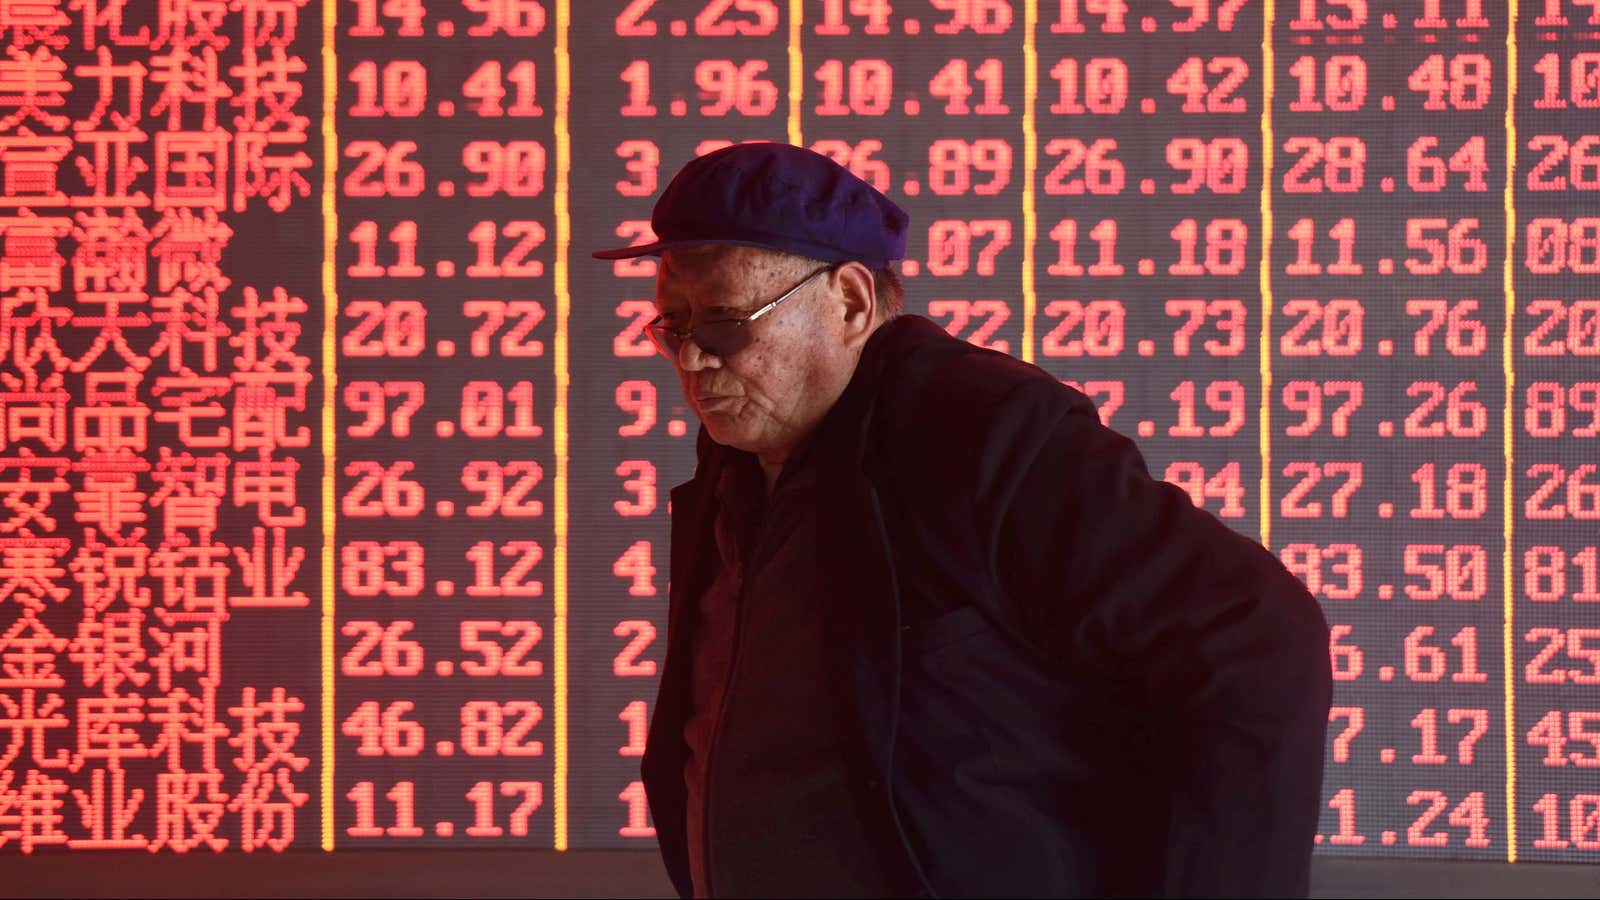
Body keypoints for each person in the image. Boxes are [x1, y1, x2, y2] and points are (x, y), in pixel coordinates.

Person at [593, 142, 1332, 899]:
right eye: (671, 324)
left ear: (849, 301)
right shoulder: (739, 457)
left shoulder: (981, 431)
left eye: (722, 322)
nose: (691, 360)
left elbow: (1256, 634)